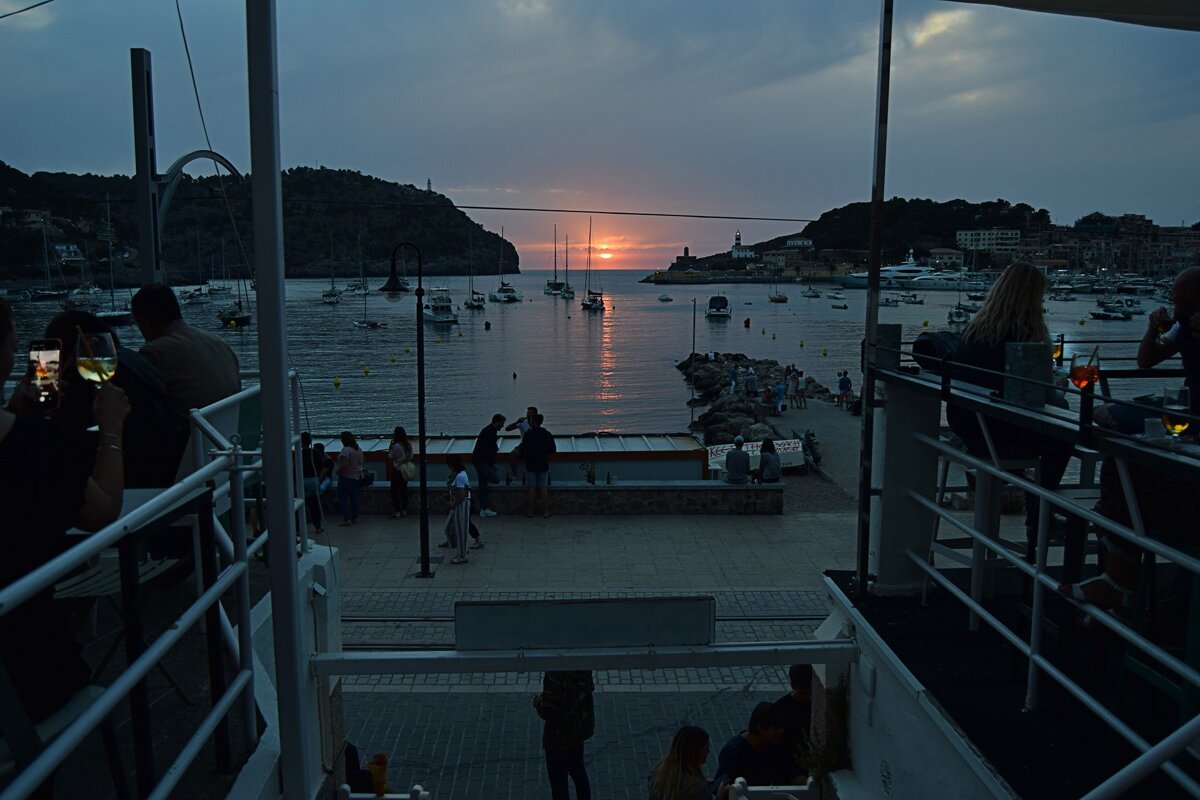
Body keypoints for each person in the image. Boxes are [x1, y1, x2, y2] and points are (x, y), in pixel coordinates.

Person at [0, 298, 130, 722]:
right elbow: (102, 512)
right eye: (16, 343)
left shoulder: (32, 432)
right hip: (28, 678)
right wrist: (111, 427)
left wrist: (14, 412)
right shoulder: (36, 445)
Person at [945, 261, 1076, 563]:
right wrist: (1059, 391)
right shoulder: (1025, 336)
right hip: (998, 435)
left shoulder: (974, 331)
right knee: (1065, 432)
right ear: (1032, 298)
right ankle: (1041, 514)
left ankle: (1030, 497)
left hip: (969, 429)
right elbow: (1044, 398)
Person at [44, 310, 181, 488]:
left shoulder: (79, 379)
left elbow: (65, 439)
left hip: (131, 481)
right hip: (166, 470)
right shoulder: (136, 360)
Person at [131, 284, 240, 470]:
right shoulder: (218, 343)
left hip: (187, 458)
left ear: (144, 322)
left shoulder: (154, 352)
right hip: (228, 447)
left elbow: (140, 410)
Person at [533, 670, 595, 800]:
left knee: (559, 784)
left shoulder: (554, 676)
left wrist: (538, 702)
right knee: (579, 773)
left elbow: (550, 712)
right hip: (576, 732)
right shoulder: (583, 670)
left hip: (557, 739)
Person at [714, 702, 803, 788]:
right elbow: (719, 786)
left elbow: (792, 775)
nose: (781, 731)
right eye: (776, 728)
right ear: (761, 728)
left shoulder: (774, 746)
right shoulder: (734, 752)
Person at [648, 726, 730, 800]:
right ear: (695, 752)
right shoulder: (697, 789)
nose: (708, 751)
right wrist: (720, 796)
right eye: (706, 748)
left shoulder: (660, 771)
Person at [773, 664, 813, 777]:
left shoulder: (780, 706)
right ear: (793, 686)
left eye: (810, 692)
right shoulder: (780, 709)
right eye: (804, 693)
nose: (808, 696)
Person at [521, 413, 557, 518]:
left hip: (531, 463)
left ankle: (530, 512)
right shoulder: (547, 434)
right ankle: (546, 511)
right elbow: (552, 450)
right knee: (543, 487)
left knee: (531, 488)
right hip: (543, 463)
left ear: (533, 422)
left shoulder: (528, 434)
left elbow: (524, 449)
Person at [472, 413, 506, 517]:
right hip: (482, 462)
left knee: (483, 486)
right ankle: (484, 508)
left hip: (478, 460)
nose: (503, 426)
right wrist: (492, 464)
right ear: (497, 422)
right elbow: (488, 449)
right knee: (495, 479)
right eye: (502, 423)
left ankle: (484, 509)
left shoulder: (488, 430)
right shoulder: (490, 432)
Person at [442, 455, 472, 564]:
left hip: (461, 505)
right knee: (453, 528)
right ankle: (462, 549)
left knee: (460, 529)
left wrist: (454, 504)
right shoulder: (460, 474)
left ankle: (462, 555)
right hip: (459, 504)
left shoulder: (460, 476)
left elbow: (461, 493)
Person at [336, 430, 365, 526]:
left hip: (347, 477)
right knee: (354, 498)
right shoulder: (358, 449)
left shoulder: (346, 450)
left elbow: (344, 464)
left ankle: (347, 519)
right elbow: (362, 461)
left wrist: (339, 472)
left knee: (343, 498)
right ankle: (355, 517)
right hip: (357, 477)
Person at [506, 405, 538, 481]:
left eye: (530, 413)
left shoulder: (537, 424)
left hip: (534, 445)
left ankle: (535, 476)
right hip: (523, 445)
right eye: (527, 413)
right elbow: (507, 429)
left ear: (535, 415)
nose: (527, 415)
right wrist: (517, 422)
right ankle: (514, 476)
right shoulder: (523, 422)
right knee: (513, 454)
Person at [301, 431, 324, 533]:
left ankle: (298, 529)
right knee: (314, 505)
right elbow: (320, 466)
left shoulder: (298, 454)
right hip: (313, 479)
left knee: (299, 505)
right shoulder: (314, 453)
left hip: (301, 480)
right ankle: (318, 527)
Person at [388, 426, 413, 519]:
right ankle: (404, 510)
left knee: (395, 491)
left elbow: (390, 456)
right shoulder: (408, 445)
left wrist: (390, 448)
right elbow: (410, 457)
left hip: (397, 470)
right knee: (404, 490)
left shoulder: (396, 446)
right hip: (405, 470)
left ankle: (397, 511)